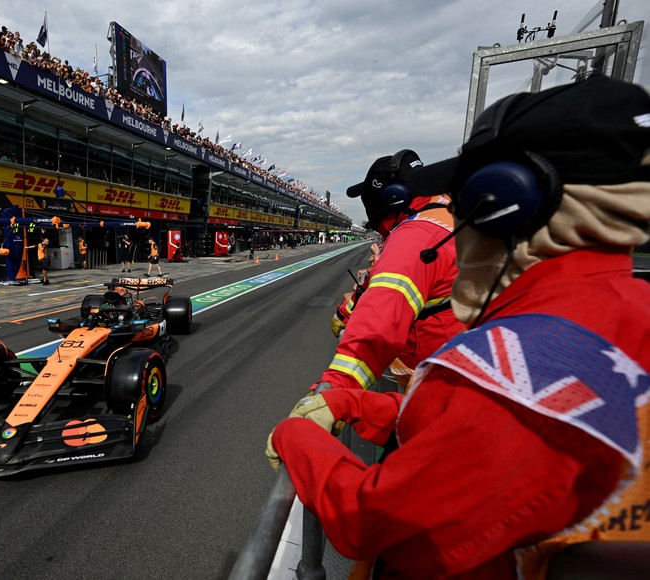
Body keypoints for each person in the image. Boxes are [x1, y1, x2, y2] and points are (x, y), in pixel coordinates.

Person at [266, 75, 650, 578]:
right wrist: (354, 403)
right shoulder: (626, 309)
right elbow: (463, 431)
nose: (457, 226)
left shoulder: (521, 365)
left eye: (466, 203)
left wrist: (296, 434)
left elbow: (375, 517)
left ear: (504, 203)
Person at [323, 148, 463, 392]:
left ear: (393, 196)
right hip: (457, 359)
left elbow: (380, 315)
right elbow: (392, 274)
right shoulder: (446, 209)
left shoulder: (414, 235)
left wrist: (333, 392)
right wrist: (350, 306)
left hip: (432, 378)